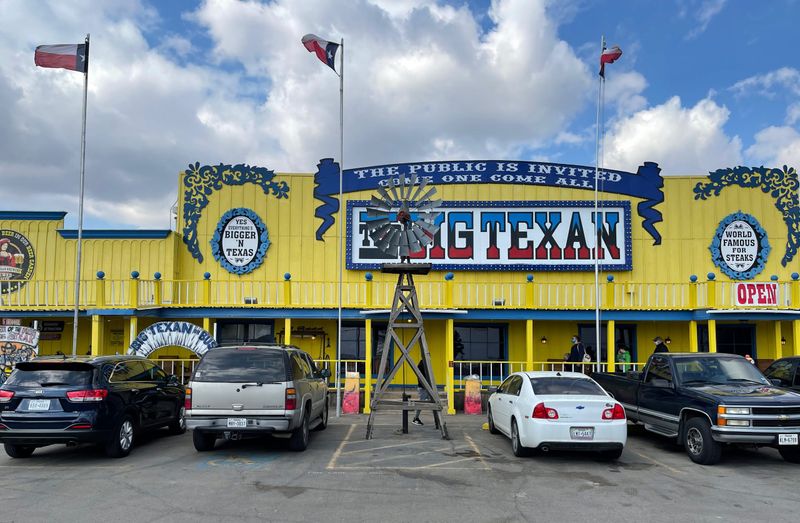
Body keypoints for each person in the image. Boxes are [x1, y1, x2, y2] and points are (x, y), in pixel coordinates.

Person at [412, 357, 432, 426]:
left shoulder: (423, 365)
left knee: (432, 402)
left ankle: (437, 419)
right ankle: (415, 418)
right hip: (423, 388)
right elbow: (423, 377)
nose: (430, 359)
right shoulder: (423, 365)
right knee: (421, 403)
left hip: (425, 387)